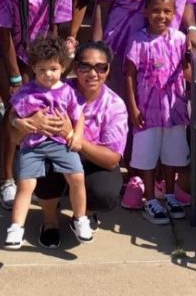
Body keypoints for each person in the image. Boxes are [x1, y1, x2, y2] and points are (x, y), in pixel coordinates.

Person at [0, 0, 74, 210]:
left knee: (44, 108)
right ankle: (6, 179)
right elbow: (4, 31)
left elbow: (56, 25)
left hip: (38, 47)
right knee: (16, 108)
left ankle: (38, 175)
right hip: (2, 45)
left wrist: (51, 65)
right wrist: (14, 77)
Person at [15, 41, 127, 249]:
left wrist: (71, 135)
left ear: (108, 69)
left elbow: (112, 160)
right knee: (43, 168)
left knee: (105, 193)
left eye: (100, 67)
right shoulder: (53, 88)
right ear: (75, 68)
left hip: (90, 159)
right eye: (85, 66)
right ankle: (50, 221)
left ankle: (83, 215)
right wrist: (23, 124)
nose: (93, 73)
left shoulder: (115, 105)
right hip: (51, 152)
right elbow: (14, 132)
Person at [4, 38, 92, 248]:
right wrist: (19, 122)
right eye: (41, 69)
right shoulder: (26, 92)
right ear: (33, 68)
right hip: (32, 145)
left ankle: (80, 218)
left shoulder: (68, 92)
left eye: (53, 68)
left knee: (77, 177)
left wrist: (77, 136)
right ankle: (16, 227)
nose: (47, 74)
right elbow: (12, 115)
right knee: (26, 184)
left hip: (61, 143)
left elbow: (79, 116)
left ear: (63, 67)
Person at [124, 0, 191, 224]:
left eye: (166, 11)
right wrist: (132, 107)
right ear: (145, 11)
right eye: (155, 10)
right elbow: (130, 74)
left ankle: (170, 194)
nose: (161, 16)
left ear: (174, 13)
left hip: (175, 109)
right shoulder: (138, 41)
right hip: (147, 110)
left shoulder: (181, 40)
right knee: (147, 156)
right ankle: (150, 199)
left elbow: (188, 71)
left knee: (172, 155)